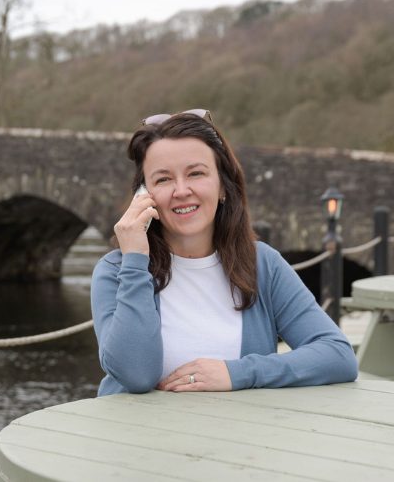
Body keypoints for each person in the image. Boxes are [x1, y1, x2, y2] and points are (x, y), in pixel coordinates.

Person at [90, 109, 358, 396]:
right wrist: (135, 260)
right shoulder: (116, 271)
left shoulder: (262, 264)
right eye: (163, 179)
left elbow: (337, 356)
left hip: (237, 437)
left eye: (196, 173)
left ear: (223, 187)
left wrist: (238, 372)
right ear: (144, 194)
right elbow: (136, 374)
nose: (181, 190)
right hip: (137, 438)